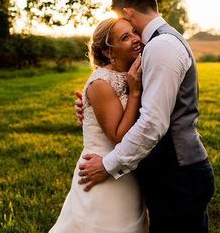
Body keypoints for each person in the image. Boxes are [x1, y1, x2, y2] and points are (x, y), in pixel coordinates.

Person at [76, 0, 215, 233]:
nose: (133, 37)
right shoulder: (157, 44)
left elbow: (153, 123)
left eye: (128, 27)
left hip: (178, 177)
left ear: (127, 12)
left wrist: (108, 164)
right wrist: (92, 108)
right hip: (168, 176)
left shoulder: (162, 46)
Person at [50, 17, 148, 233]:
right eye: (125, 37)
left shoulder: (134, 71)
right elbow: (118, 136)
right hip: (101, 170)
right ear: (108, 52)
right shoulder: (101, 83)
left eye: (134, 31)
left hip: (126, 168)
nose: (135, 39)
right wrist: (134, 92)